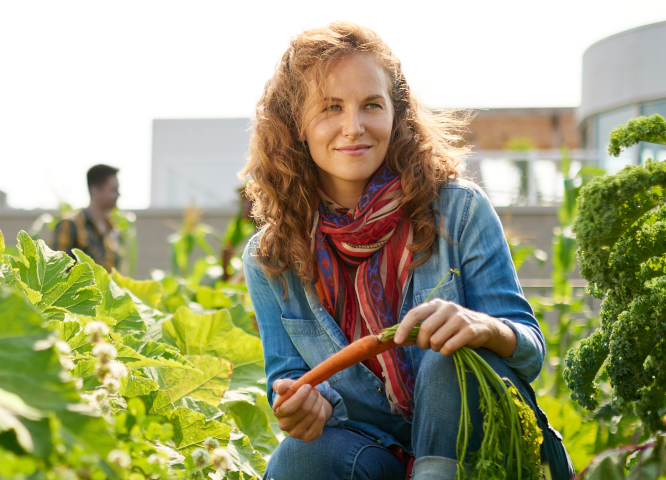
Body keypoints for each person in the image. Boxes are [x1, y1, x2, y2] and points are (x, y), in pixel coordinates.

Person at [238, 22, 572, 480]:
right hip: (377, 458)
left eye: (371, 105)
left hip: (490, 449)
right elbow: (289, 383)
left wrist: (485, 327)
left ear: (396, 114)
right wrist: (300, 408)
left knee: (445, 359)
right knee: (299, 456)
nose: (353, 128)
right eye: (331, 107)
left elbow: (530, 353)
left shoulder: (459, 210)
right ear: (296, 124)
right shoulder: (270, 258)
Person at [52, 164, 123, 272]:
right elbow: (57, 269)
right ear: (95, 190)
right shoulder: (70, 224)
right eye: (113, 190)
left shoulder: (113, 230)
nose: (118, 195)